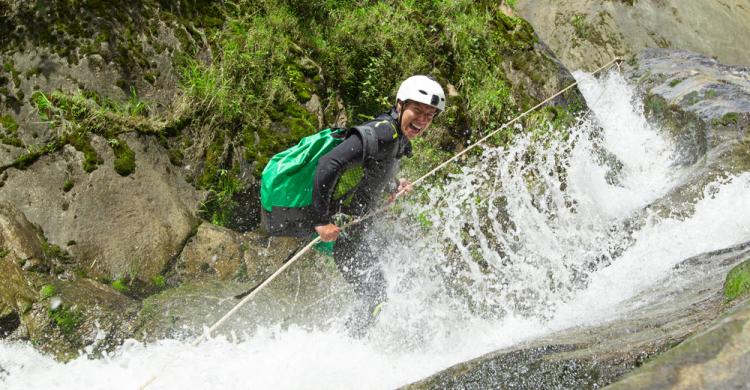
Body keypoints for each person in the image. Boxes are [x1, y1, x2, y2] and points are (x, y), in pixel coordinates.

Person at [311, 75, 446, 336]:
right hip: (346, 235)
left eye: (429, 115)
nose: (421, 120)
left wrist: (393, 185)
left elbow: (370, 173)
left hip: (357, 231)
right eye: (416, 110)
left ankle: (345, 340)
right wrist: (321, 220)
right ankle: (347, 347)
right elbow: (329, 163)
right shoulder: (384, 132)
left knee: (385, 288)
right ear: (400, 105)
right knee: (377, 295)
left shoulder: (397, 137)